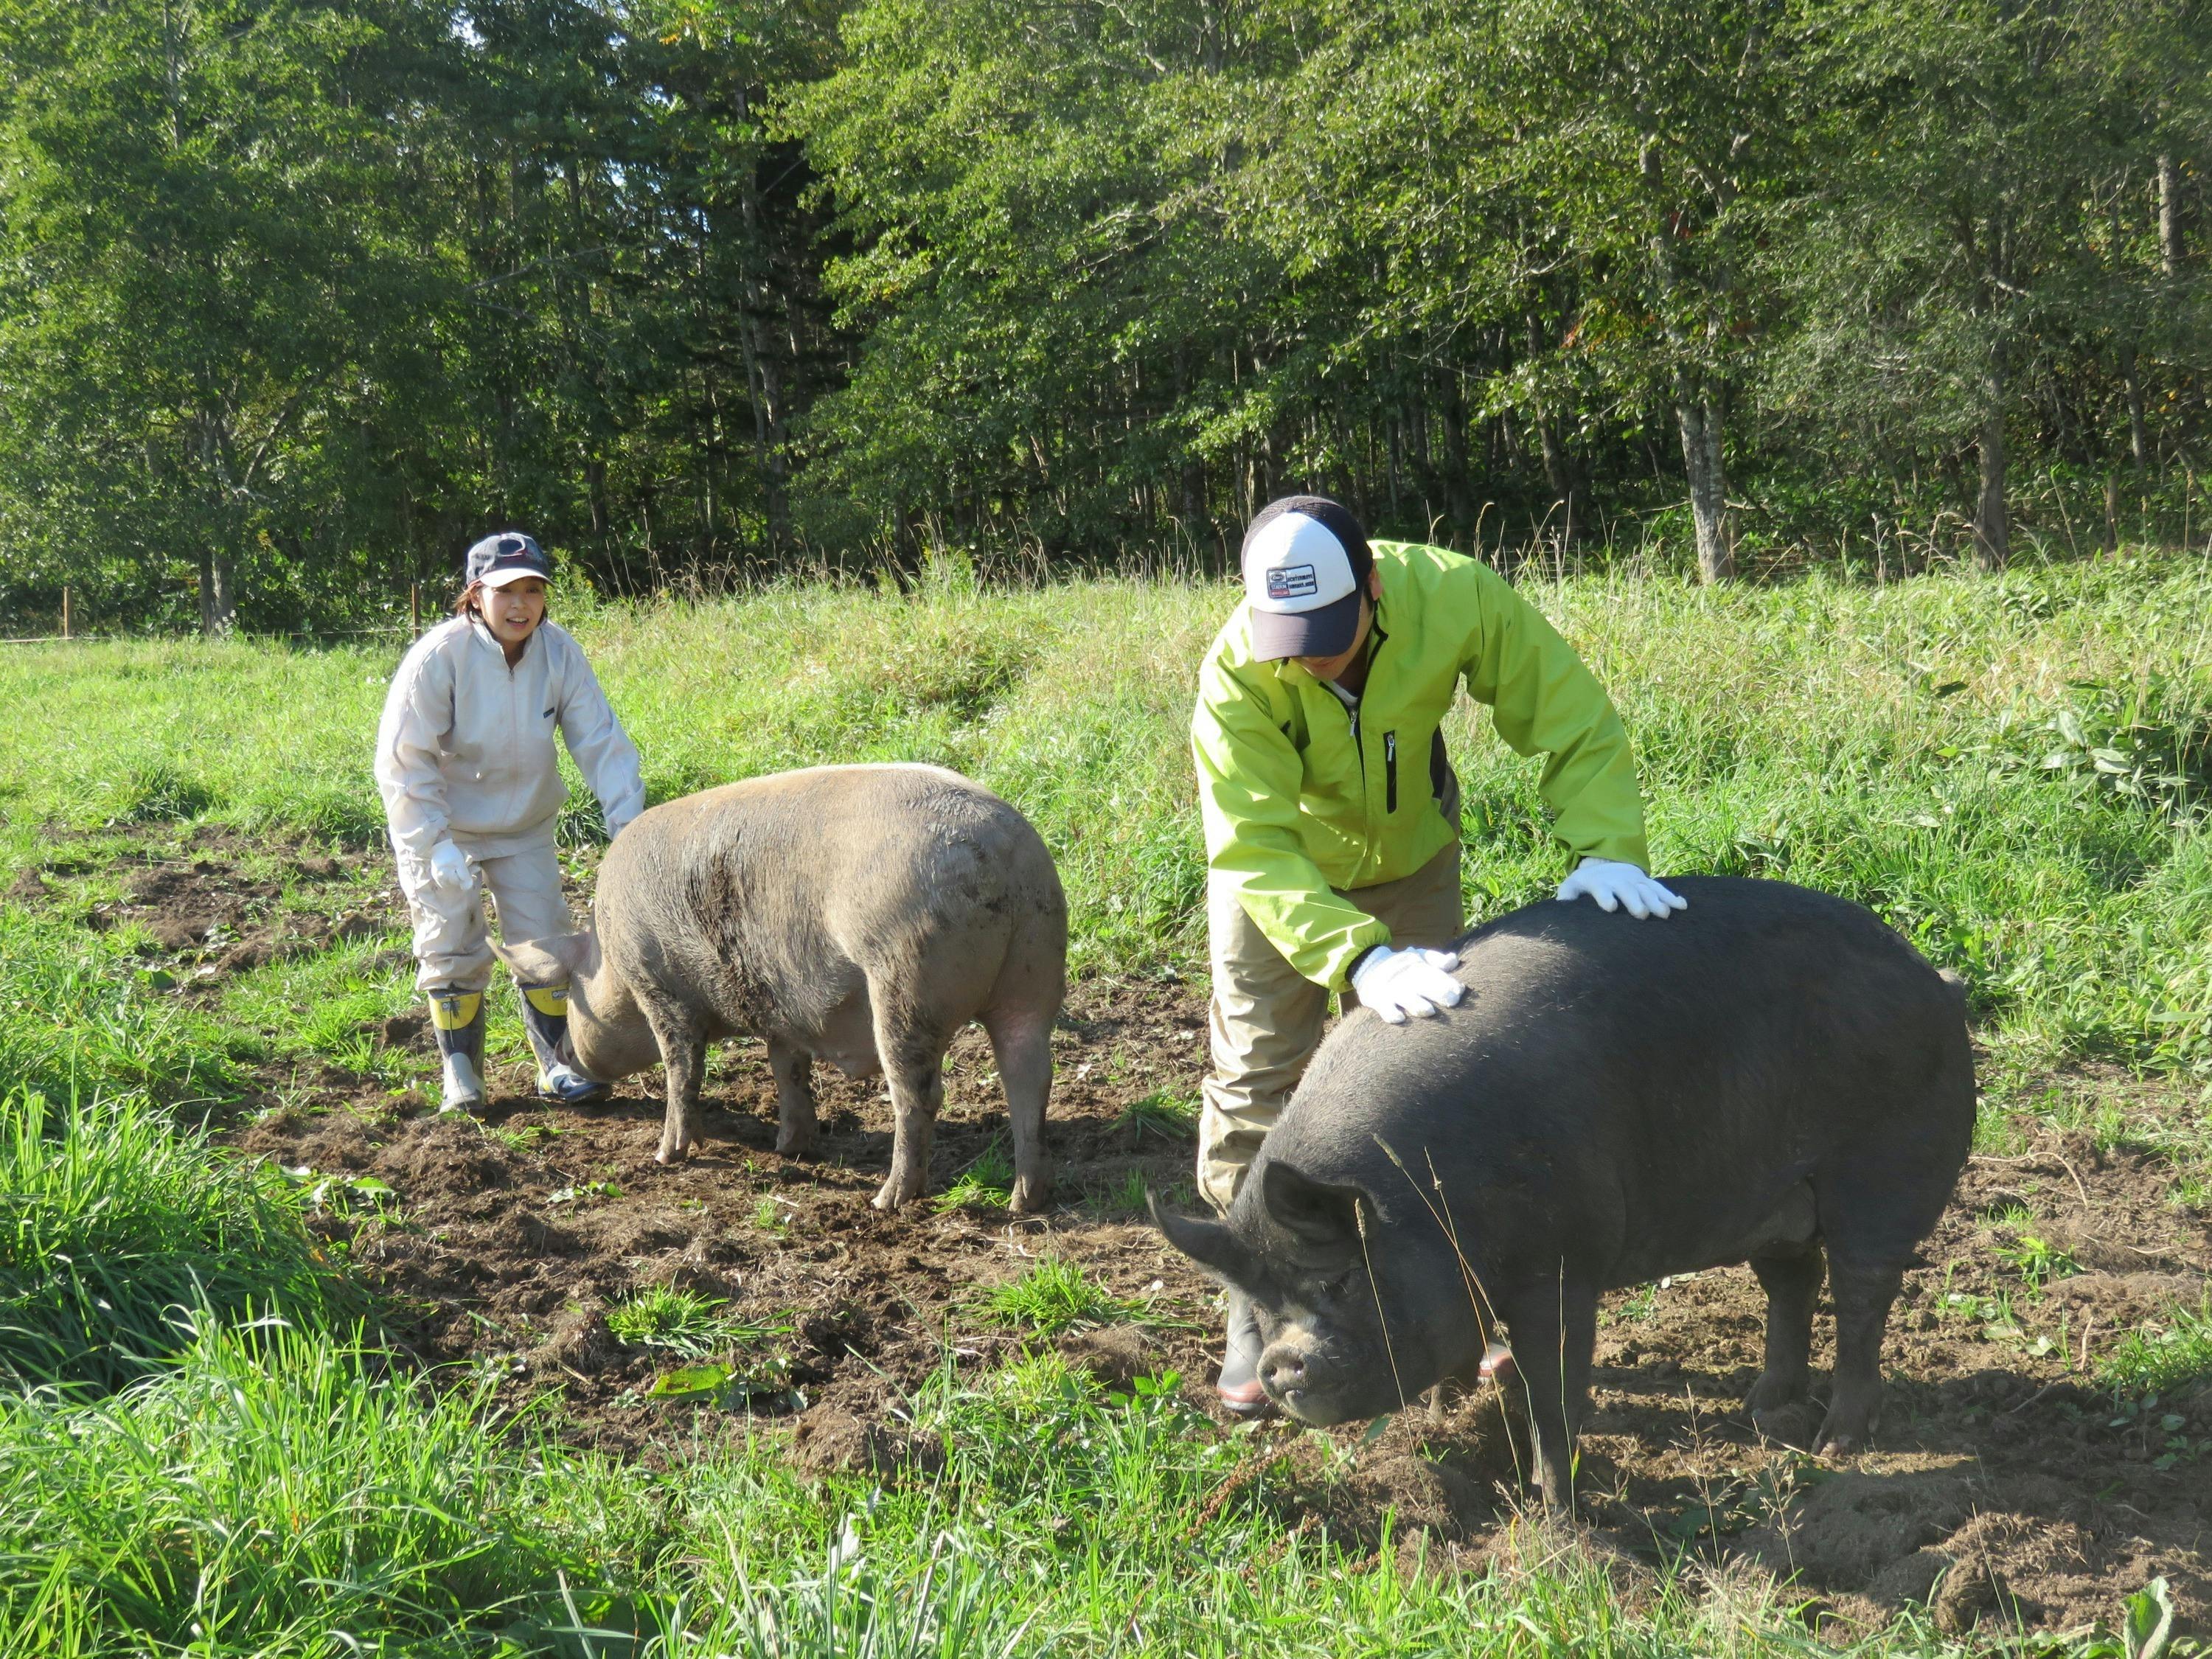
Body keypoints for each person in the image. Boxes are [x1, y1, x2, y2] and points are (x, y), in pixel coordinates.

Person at [1191, 495, 1685, 1413]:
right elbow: (1253, 844)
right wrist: (1355, 958)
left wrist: (1607, 842)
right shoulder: (1239, 675)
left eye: (1330, 630)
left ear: (1374, 588)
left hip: (1413, 856)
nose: (1313, 654)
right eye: (1292, 636)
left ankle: (1446, 1302)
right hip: (1279, 880)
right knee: (1258, 1074)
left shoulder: (1452, 595)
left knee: (1424, 1075)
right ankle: (1257, 1309)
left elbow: (1563, 708)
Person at [374, 532, 647, 1113]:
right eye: (505, 592)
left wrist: (630, 825)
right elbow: (403, 762)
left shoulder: (559, 653)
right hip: (445, 829)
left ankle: (557, 1065)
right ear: (476, 595)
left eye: (533, 590)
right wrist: (434, 844)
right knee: (451, 942)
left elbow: (601, 740)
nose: (521, 605)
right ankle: (462, 1075)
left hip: (524, 826)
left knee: (544, 941)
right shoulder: (438, 659)